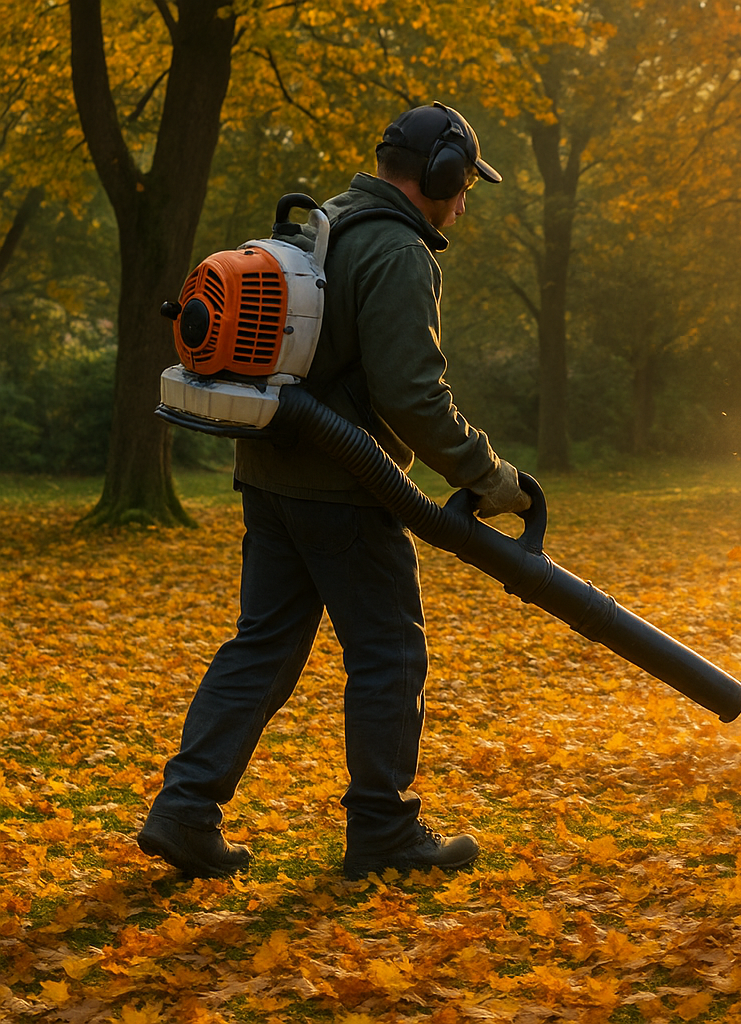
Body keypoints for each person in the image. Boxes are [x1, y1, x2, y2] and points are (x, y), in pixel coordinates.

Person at [137, 102, 529, 880]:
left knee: (262, 649)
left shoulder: (323, 222)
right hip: (345, 490)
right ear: (442, 175)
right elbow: (413, 396)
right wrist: (488, 476)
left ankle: (184, 812)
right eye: (463, 187)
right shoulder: (397, 251)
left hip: (271, 473)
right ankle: (383, 830)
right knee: (389, 653)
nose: (463, 202)